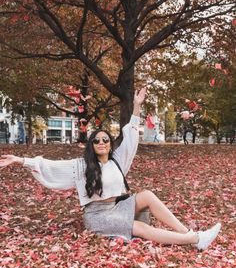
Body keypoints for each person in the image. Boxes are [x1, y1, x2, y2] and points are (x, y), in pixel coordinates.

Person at [0, 88, 221, 250]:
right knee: (139, 228)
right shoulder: (81, 166)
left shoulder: (117, 160)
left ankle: (187, 233)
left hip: (118, 208)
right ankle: (195, 240)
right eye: (96, 140)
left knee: (147, 196)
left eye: (105, 139)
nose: (102, 143)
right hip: (98, 216)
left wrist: (136, 106)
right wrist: (19, 159)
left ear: (109, 142)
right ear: (92, 145)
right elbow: (48, 166)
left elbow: (132, 136)